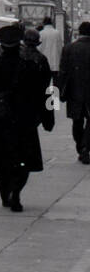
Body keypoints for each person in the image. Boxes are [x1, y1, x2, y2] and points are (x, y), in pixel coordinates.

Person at [0, 23, 50, 212]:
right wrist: (47, 118)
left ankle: (4, 191)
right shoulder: (30, 66)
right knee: (23, 160)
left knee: (0, 161)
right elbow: (44, 94)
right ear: (19, 43)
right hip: (24, 122)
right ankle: (16, 191)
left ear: (0, 45)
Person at [57, 20, 90, 164]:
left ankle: (80, 146)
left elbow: (62, 73)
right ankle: (86, 148)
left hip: (74, 92)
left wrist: (60, 93)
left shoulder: (69, 48)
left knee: (77, 121)